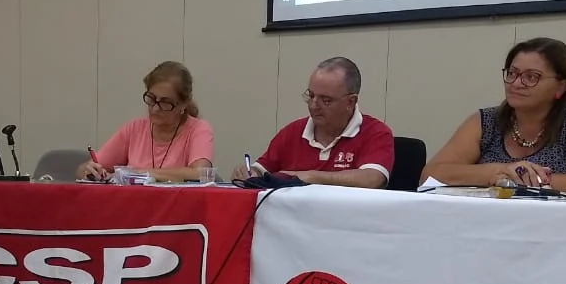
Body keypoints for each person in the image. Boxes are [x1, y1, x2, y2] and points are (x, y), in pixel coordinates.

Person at [422, 37, 566, 198]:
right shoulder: (485, 121)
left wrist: (532, 181)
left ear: (561, 87)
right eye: (512, 73)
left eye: (531, 77)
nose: (516, 83)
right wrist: (496, 172)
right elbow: (430, 175)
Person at [233, 57, 394, 187]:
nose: (313, 105)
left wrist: (311, 177)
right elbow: (261, 171)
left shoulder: (375, 132)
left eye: (326, 100)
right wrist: (249, 173)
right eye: (311, 96)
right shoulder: (292, 132)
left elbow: (372, 179)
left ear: (350, 102)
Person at [78, 61, 214, 182]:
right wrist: (90, 171)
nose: (155, 109)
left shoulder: (198, 129)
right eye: (151, 98)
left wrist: (139, 173)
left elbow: (200, 174)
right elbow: (83, 170)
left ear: (183, 104)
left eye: (165, 103)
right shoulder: (134, 129)